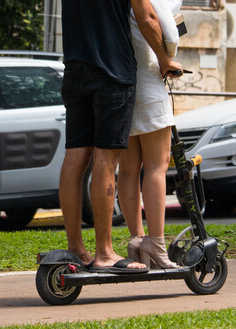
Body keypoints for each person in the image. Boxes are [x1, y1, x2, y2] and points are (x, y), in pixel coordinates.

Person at [59, 0, 182, 273]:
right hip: (112, 71)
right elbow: (147, 16)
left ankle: (76, 249)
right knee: (106, 160)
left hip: (75, 69)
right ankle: (104, 253)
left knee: (75, 157)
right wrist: (165, 60)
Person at [117, 0, 182, 268]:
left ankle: (136, 239)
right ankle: (155, 243)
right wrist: (169, 58)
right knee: (156, 167)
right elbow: (167, 31)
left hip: (122, 84)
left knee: (128, 170)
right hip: (148, 84)